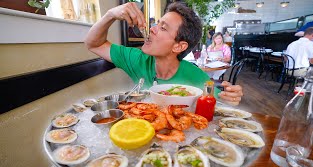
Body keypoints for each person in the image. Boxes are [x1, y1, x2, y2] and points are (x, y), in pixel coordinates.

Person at [84, 2, 243, 104]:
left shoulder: (195, 76)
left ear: (179, 47)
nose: (152, 29)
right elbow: (93, 43)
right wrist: (110, 14)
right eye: (157, 24)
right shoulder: (137, 59)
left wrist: (231, 97)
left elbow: (220, 102)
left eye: (163, 27)